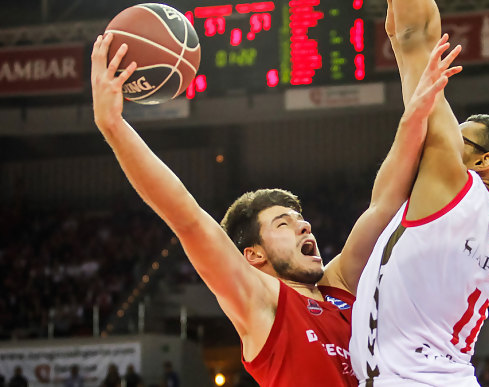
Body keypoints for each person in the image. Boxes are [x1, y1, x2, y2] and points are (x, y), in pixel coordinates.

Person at [90, 30, 461, 386]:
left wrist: (414, 113)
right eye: (283, 224)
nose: (305, 228)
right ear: (252, 255)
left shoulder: (339, 286)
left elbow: (383, 205)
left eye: (301, 220)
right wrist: (113, 127)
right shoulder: (261, 302)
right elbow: (187, 218)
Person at [349, 0, 489, 385]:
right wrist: (401, 44)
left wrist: (408, 42)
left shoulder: (454, 188)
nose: (446, 138)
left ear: (484, 162)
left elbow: (418, 35)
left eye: (459, 138)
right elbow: (409, 43)